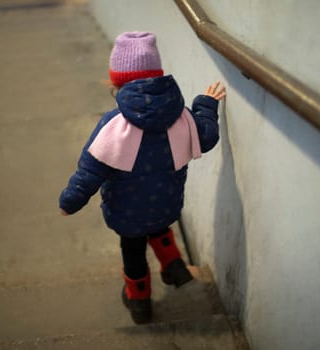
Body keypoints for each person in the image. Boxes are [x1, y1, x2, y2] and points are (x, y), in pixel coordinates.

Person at [59, 31, 226, 324]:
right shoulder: (182, 115)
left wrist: (70, 200)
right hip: (166, 203)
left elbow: (90, 170)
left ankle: (139, 303)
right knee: (159, 223)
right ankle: (174, 265)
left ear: (116, 82)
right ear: (157, 76)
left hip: (127, 212)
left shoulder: (112, 125)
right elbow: (207, 136)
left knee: (133, 251)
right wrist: (207, 105)